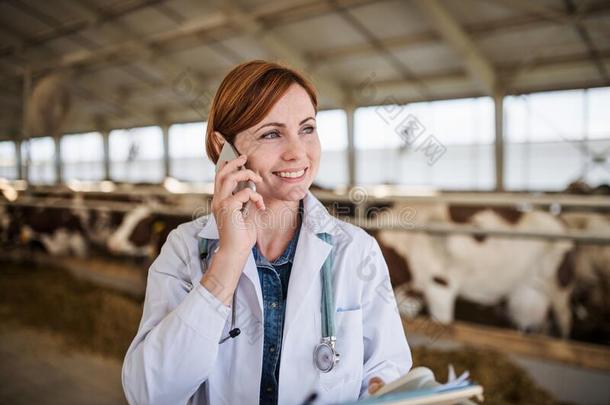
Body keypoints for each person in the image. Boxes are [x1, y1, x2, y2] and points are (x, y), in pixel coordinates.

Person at [122, 60, 412, 405]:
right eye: (272, 134)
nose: (298, 152)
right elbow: (148, 392)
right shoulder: (185, 249)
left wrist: (380, 386)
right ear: (222, 148)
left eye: (307, 129)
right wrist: (227, 262)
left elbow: (387, 366)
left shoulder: (357, 251)